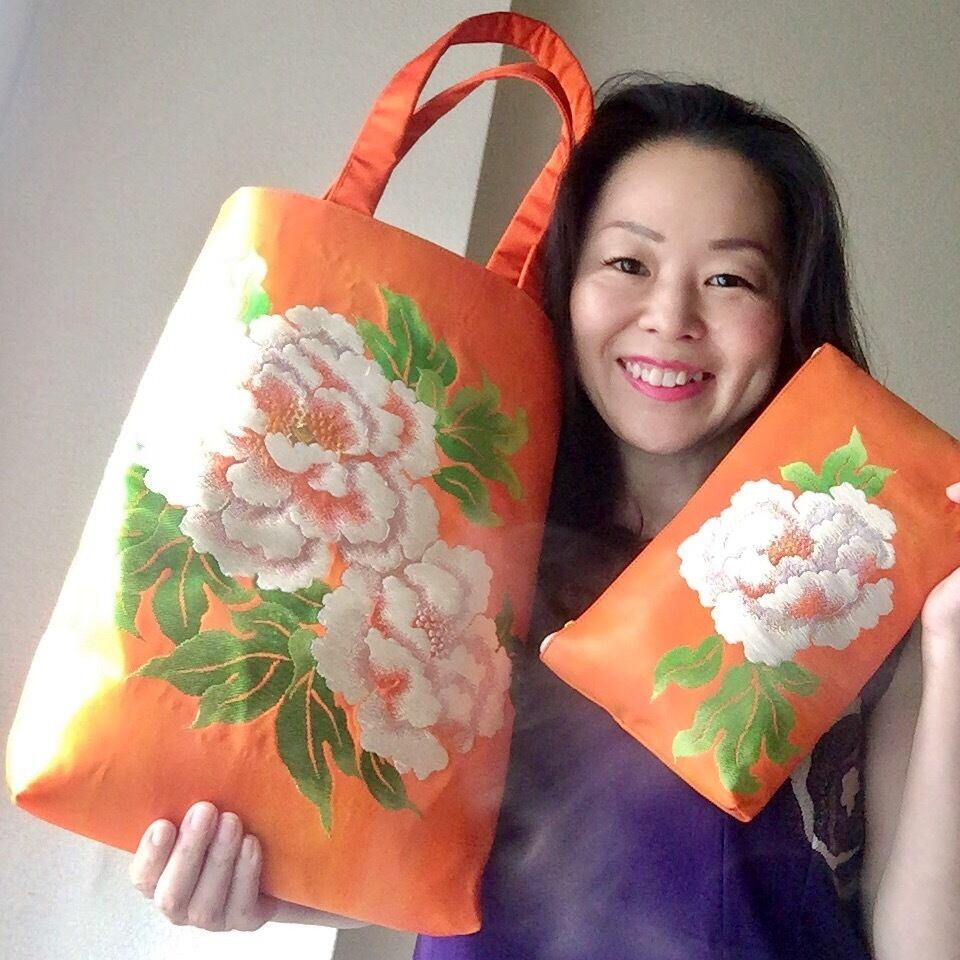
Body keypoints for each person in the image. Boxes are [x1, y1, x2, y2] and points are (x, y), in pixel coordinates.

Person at [129, 76, 960, 959]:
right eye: (628, 264)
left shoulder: (866, 580)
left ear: (789, 314)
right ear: (567, 282)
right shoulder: (456, 545)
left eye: (729, 278)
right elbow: (416, 862)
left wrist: (951, 643)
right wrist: (255, 889)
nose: (670, 318)